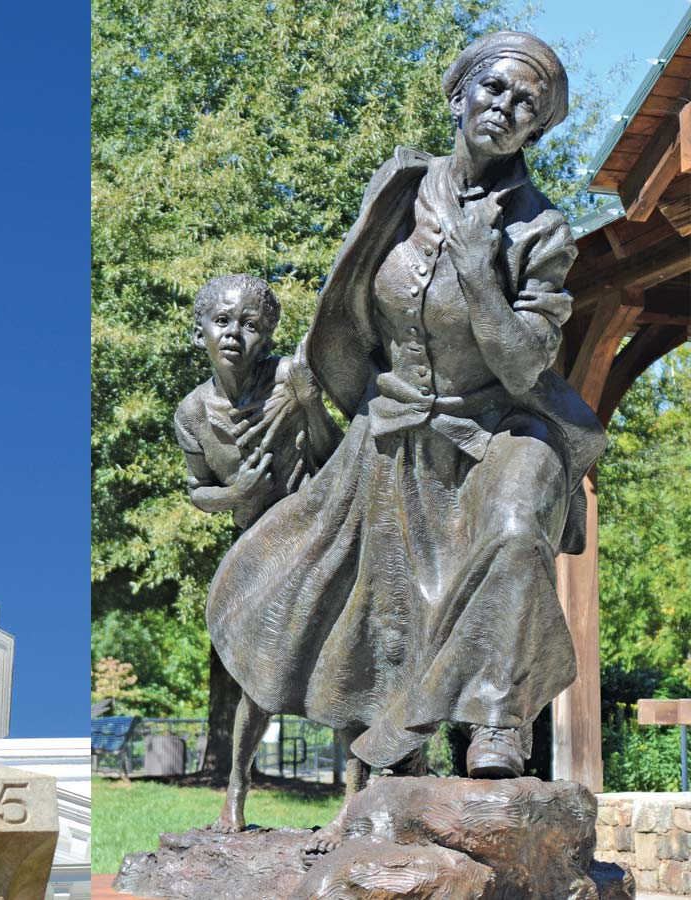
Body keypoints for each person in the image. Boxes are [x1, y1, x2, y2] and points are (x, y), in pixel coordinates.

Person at [205, 32, 605, 846]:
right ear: (459, 96)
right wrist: (304, 376)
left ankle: (496, 721)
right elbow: (348, 299)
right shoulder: (397, 189)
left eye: (528, 103)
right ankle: (397, 758)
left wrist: (476, 272)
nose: (506, 107)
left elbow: (529, 363)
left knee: (517, 532)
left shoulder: (542, 231)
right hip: (392, 427)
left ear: (537, 130)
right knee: (366, 602)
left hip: (499, 427)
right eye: (494, 89)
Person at [174, 274, 339, 831]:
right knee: (258, 674)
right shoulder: (192, 414)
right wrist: (235, 495)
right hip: (256, 549)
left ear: (267, 337)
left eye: (250, 324)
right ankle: (236, 792)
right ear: (200, 333)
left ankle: (357, 800)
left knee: (343, 658)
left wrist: (313, 407)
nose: (234, 334)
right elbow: (198, 490)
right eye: (222, 321)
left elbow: (335, 459)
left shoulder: (290, 379)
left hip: (316, 533)